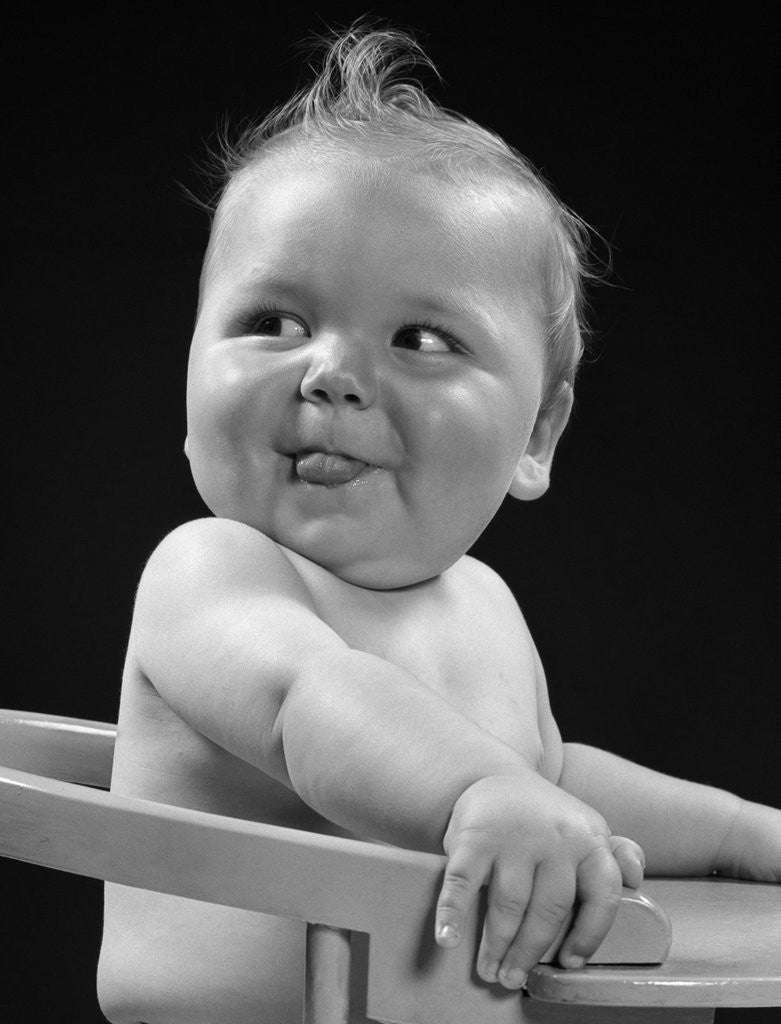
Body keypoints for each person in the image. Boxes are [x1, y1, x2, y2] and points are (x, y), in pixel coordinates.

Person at [96, 23, 781, 1024]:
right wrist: (478, 795)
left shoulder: (485, 605)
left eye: (420, 338)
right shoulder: (209, 574)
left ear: (536, 433)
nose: (327, 374)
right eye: (270, 321)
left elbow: (549, 775)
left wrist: (735, 833)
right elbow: (308, 701)